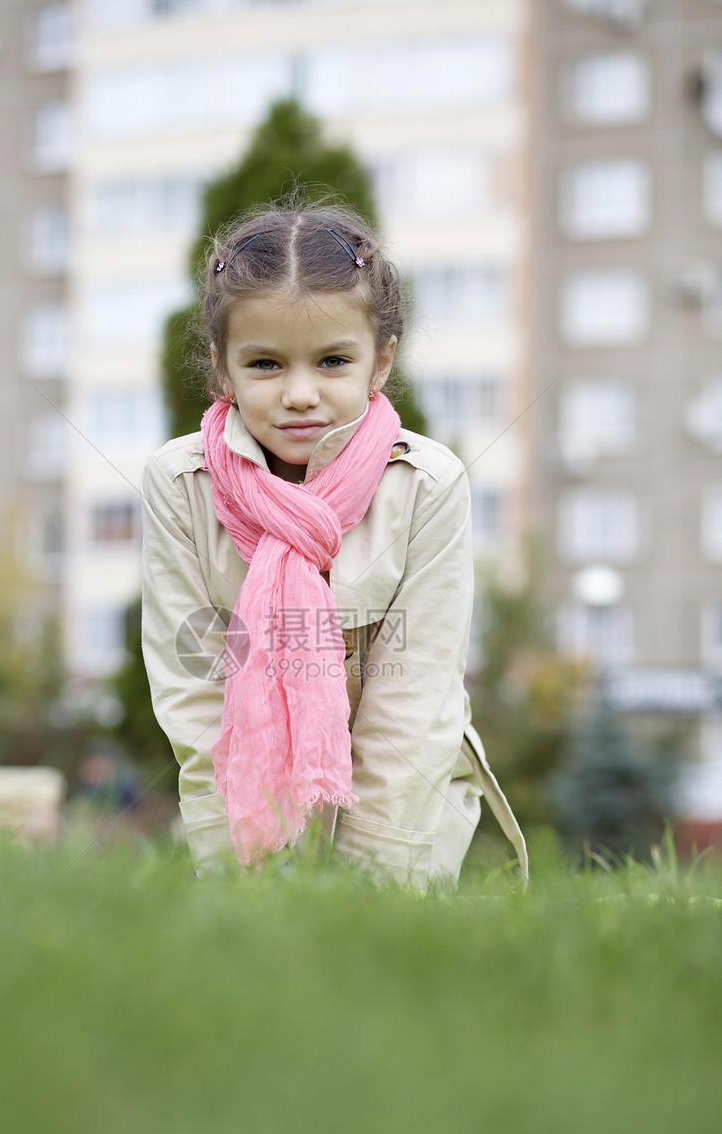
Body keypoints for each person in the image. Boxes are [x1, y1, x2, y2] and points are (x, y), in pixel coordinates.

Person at [140, 200, 527, 890]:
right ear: (221, 370)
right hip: (247, 815)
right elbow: (193, 692)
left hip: (403, 811)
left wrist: (370, 877)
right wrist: (236, 866)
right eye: (264, 363)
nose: (298, 393)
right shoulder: (180, 484)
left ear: (380, 364)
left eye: (332, 361)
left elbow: (415, 698)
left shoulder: (427, 485)